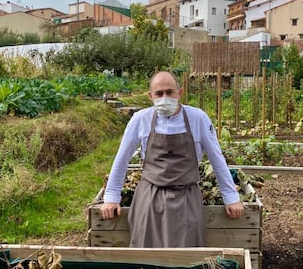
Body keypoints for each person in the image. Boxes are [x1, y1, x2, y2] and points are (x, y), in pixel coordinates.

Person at [100, 71, 244, 248]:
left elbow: (217, 159)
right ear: (150, 96)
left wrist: (231, 197)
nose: (164, 98)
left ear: (180, 92)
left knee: (187, 255)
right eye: (159, 94)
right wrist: (111, 197)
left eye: (169, 92)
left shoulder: (197, 118)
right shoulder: (140, 119)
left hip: (186, 198)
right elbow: (122, 159)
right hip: (149, 198)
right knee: (146, 253)